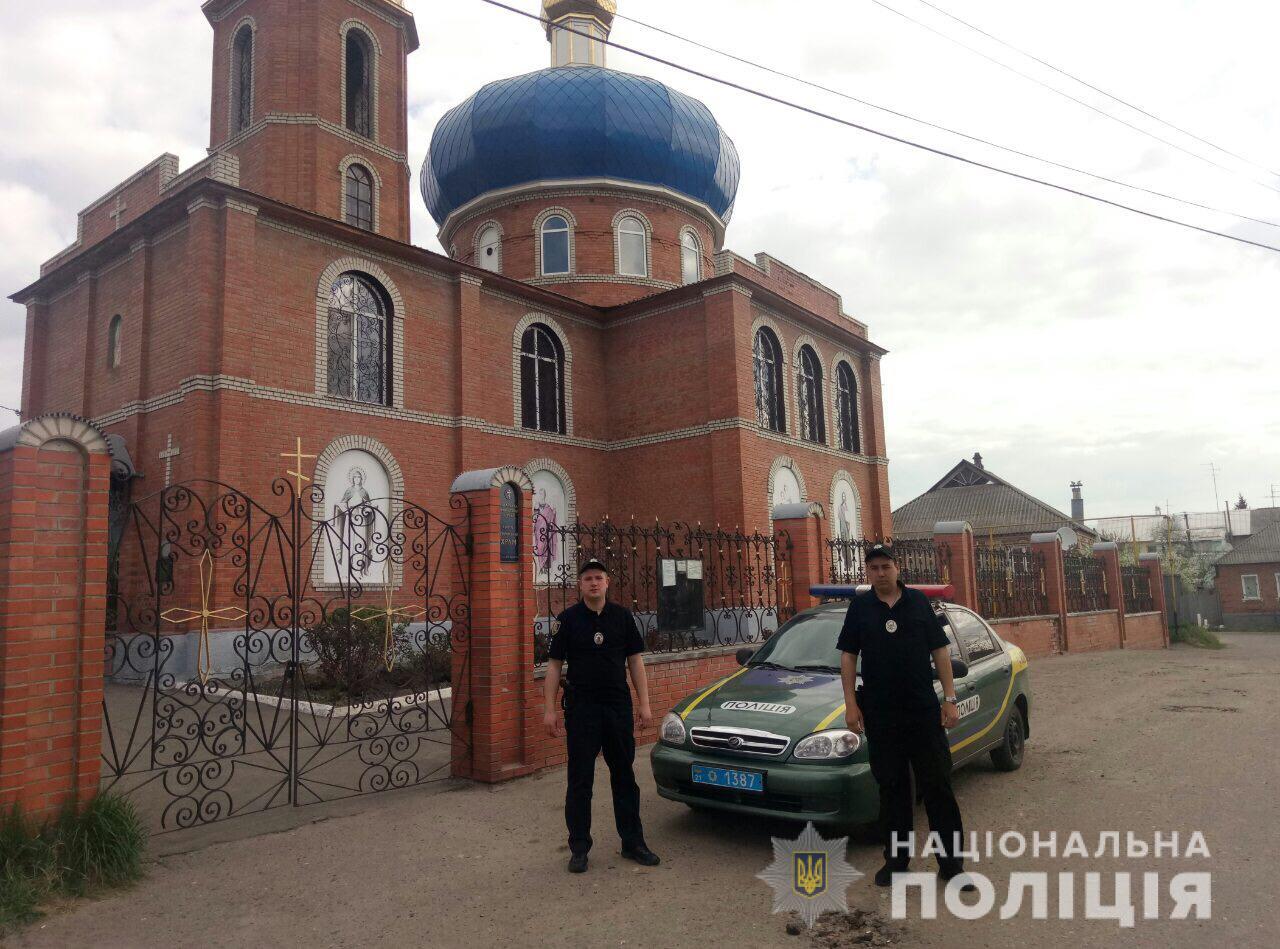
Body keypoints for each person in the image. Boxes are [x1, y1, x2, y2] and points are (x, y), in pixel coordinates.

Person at [837, 543, 971, 889]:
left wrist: (950, 698)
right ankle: (895, 863)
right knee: (892, 790)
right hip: (881, 715)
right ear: (868, 572)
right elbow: (849, 657)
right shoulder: (861, 608)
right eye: (874, 568)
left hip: (923, 712)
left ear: (898, 568)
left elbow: (940, 651)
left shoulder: (919, 604)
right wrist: (851, 704)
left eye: (886, 567)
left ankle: (952, 866)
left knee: (938, 787)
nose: (880, 574)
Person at [543, 558, 661, 873]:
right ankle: (579, 847)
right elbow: (554, 665)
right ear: (580, 585)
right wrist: (549, 709)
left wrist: (644, 704)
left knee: (624, 775)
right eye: (588, 579)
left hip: (616, 706)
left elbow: (635, 661)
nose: (594, 583)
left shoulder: (622, 617)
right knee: (580, 779)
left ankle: (633, 842)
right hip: (582, 708)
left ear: (607, 583)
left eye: (599, 578)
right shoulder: (568, 620)